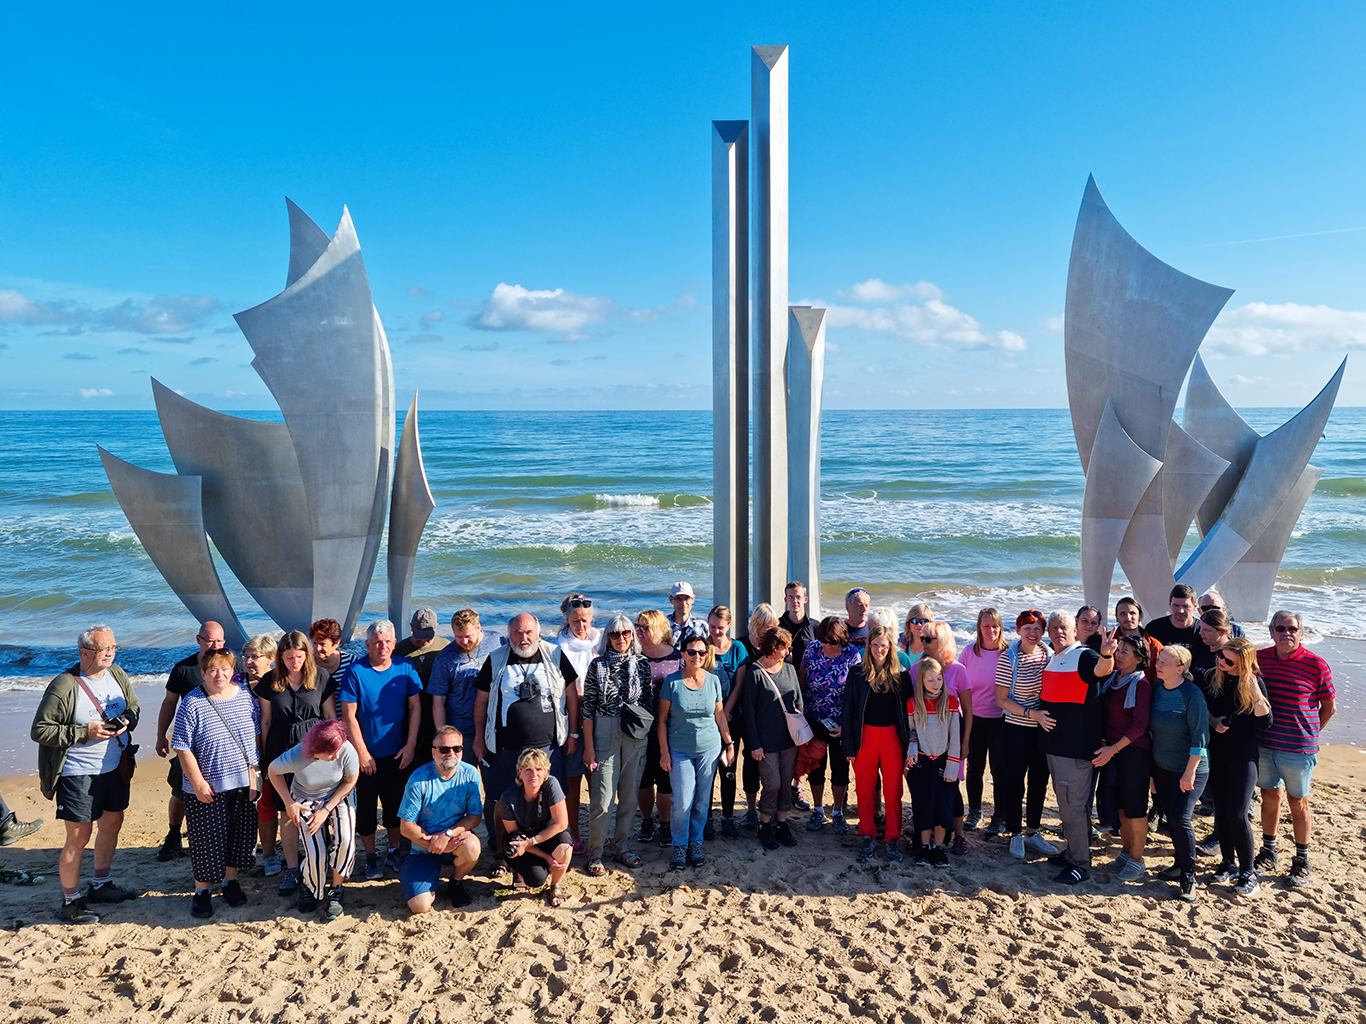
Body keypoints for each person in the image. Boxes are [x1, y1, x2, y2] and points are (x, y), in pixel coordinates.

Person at [32, 625, 140, 924]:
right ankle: (70, 902)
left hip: (115, 766)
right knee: (78, 837)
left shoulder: (117, 674)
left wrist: (126, 721)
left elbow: (133, 706)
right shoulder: (65, 685)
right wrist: (84, 732)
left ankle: (101, 885)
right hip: (78, 772)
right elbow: (40, 730)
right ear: (85, 652)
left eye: (113, 648)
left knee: (112, 823)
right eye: (104, 649)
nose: (110, 653)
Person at [472, 613, 580, 877]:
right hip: (505, 748)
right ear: (509, 635)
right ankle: (500, 853)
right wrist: (478, 738)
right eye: (518, 633)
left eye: (529, 632)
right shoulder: (495, 659)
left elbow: (571, 695)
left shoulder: (555, 655)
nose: (524, 638)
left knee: (551, 799)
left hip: (548, 747)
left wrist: (574, 734)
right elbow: (481, 702)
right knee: (501, 800)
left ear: (538, 632)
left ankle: (549, 847)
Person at [173, 647, 260, 919]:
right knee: (206, 841)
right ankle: (202, 891)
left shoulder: (245, 696)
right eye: (213, 670)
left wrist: (254, 778)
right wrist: (197, 783)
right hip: (208, 785)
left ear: (233, 671)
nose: (219, 674)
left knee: (240, 837)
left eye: (224, 669)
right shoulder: (192, 701)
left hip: (243, 782)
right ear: (203, 674)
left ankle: (230, 882)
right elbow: (182, 747)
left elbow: (253, 739)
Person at [1254, 610, 1335, 887]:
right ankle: (1269, 851)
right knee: (1269, 796)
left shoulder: (1316, 664)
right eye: (1280, 628)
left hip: (1299, 748)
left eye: (1292, 628)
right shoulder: (1259, 659)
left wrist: (1310, 734)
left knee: (1298, 802)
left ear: (1301, 633)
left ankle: (1301, 859)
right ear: (1271, 632)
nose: (1285, 633)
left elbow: (1329, 707)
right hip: (1265, 744)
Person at [1033, 612, 1114, 885]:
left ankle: (1080, 864)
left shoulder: (1083, 655)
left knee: (1073, 808)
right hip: (1056, 746)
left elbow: (1101, 670)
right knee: (1068, 805)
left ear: (1075, 630)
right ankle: (1073, 852)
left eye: (1064, 627)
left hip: (1075, 749)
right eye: (1054, 627)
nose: (1058, 631)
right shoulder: (1055, 657)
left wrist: (1105, 655)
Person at [338, 619, 423, 881]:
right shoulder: (355, 672)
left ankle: (395, 851)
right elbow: (348, 717)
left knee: (395, 806)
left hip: (398, 752)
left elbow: (415, 708)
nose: (382, 646)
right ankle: (371, 856)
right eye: (376, 642)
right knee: (365, 809)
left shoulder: (405, 667)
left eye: (387, 641)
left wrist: (410, 745)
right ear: (367, 645)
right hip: (365, 755)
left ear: (394, 643)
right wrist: (362, 753)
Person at [256, 630, 337, 897]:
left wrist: (333, 750)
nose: (294, 662)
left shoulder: (321, 677)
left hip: (314, 747)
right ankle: (293, 868)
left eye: (299, 656)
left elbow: (329, 717)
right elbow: (266, 721)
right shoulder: (270, 681)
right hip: (281, 746)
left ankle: (320, 863)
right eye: (289, 657)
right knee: (287, 811)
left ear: (307, 655)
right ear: (280, 657)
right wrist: (267, 759)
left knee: (318, 805)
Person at [267, 719, 360, 918]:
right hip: (305, 797)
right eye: (331, 753)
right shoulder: (297, 754)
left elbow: (351, 780)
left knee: (346, 840)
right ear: (316, 750)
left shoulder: (345, 749)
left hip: (338, 794)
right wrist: (288, 803)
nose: (337, 755)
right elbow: (273, 772)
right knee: (316, 852)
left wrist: (326, 809)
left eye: (338, 749)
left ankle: (336, 889)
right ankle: (310, 886)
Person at [581, 614, 652, 874]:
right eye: (614, 634)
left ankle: (623, 846)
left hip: (635, 734)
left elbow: (648, 703)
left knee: (629, 796)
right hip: (604, 731)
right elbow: (587, 709)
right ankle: (596, 852)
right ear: (607, 637)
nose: (620, 639)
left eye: (625, 633)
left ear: (632, 635)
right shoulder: (597, 665)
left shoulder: (642, 664)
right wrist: (588, 747)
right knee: (602, 798)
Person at [657, 632, 733, 869]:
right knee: (681, 800)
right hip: (679, 749)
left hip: (709, 749)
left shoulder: (713, 681)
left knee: (701, 801)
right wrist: (664, 752)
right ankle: (679, 845)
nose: (697, 656)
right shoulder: (672, 682)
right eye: (691, 652)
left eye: (701, 652)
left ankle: (694, 843)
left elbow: (719, 715)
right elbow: (661, 720)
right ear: (683, 654)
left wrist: (729, 744)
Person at [153, 620, 226, 862]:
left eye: (219, 641)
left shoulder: (229, 666)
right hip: (190, 744)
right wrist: (161, 735)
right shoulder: (183, 668)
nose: (215, 646)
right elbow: (169, 703)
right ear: (198, 640)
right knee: (180, 790)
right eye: (209, 641)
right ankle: (174, 835)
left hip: (223, 743)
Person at [1204, 637, 1272, 896]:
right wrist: (1214, 721)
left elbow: (1266, 722)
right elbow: (1204, 709)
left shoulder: (1253, 682)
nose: (1221, 661)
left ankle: (1248, 872)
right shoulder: (1214, 677)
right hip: (1217, 754)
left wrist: (1256, 696)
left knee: (1237, 813)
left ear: (1243, 662)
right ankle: (1228, 863)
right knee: (1221, 812)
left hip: (1244, 757)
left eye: (1228, 659)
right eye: (1220, 655)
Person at [842, 623, 911, 862]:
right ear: (868, 646)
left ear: (891, 646)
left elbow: (908, 714)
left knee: (893, 792)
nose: (879, 650)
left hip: (893, 739)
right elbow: (848, 710)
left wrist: (910, 745)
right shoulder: (857, 674)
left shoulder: (901, 675)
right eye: (874, 645)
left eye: (883, 646)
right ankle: (868, 835)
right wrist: (848, 745)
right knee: (864, 790)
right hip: (865, 738)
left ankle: (892, 839)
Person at [397, 725, 483, 913]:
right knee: (419, 906)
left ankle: (456, 882)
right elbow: (406, 827)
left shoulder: (470, 774)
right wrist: (434, 844)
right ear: (433, 752)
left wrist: (448, 834)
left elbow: (475, 816)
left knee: (472, 846)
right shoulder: (418, 779)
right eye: (444, 749)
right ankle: (423, 879)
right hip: (421, 845)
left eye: (457, 748)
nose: (450, 753)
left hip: (452, 837)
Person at [994, 609, 1058, 860]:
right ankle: (1015, 833)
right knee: (1014, 781)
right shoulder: (1008, 657)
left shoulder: (1050, 655)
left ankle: (1032, 831)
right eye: (1027, 628)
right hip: (1016, 726)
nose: (1033, 633)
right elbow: (1001, 699)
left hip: (1043, 730)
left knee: (1039, 782)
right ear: (1018, 630)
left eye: (1037, 628)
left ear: (1044, 632)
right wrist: (1031, 714)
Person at [1150, 644, 1210, 903]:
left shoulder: (1192, 694)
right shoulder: (1157, 690)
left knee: (1181, 818)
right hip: (1162, 767)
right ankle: (1178, 864)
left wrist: (1189, 772)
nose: (1158, 664)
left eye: (1165, 661)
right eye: (1159, 659)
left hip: (1190, 769)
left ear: (1180, 669)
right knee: (1169, 817)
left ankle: (1189, 877)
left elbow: (1201, 737)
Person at [1093, 634, 1154, 882]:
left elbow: (1140, 725)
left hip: (1134, 753)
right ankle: (1127, 852)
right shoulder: (1112, 679)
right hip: (1114, 751)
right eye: (1119, 650)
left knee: (1136, 809)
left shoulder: (1141, 684)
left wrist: (1113, 748)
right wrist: (1105, 744)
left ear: (1139, 659)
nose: (1119, 655)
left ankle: (1138, 861)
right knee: (1120, 807)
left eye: (1125, 652)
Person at [743, 627, 804, 850]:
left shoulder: (788, 669)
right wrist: (755, 744)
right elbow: (748, 711)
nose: (789, 651)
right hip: (766, 742)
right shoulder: (755, 672)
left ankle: (782, 823)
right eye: (785, 647)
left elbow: (798, 700)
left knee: (786, 783)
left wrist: (800, 731)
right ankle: (765, 824)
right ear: (775, 647)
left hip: (789, 740)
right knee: (772, 784)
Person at [798, 616, 860, 834]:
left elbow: (856, 695)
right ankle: (817, 810)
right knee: (815, 767)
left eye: (832, 641)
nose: (827, 645)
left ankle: (837, 812)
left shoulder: (852, 655)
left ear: (841, 639)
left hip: (841, 722)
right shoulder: (812, 650)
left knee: (840, 769)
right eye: (824, 640)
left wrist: (848, 726)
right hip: (814, 718)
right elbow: (801, 682)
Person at [723, 603, 780, 827]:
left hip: (764, 713)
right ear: (755, 625)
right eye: (765, 626)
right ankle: (745, 809)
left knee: (757, 760)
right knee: (738, 760)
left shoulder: (774, 646)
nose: (769, 630)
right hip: (739, 712)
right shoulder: (742, 644)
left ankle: (759, 808)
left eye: (772, 626)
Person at [497, 748, 574, 907]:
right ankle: (519, 874)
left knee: (565, 845)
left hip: (540, 837)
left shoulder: (551, 784)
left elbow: (561, 823)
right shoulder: (507, 797)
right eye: (528, 770)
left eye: (539, 769)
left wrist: (532, 842)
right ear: (519, 773)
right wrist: (545, 857)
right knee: (536, 880)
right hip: (521, 841)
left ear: (546, 772)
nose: (534, 774)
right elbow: (514, 835)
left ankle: (556, 885)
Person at [919, 621, 972, 854]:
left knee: (952, 787)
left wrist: (965, 742)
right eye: (922, 638)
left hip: (952, 738)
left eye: (928, 639)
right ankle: (927, 832)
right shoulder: (920, 667)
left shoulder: (958, 669)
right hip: (927, 740)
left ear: (941, 642)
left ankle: (959, 835)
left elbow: (968, 710)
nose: (923, 643)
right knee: (930, 787)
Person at [555, 593, 601, 854]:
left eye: (584, 620)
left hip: (599, 718)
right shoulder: (558, 647)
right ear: (567, 618)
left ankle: (596, 830)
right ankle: (573, 831)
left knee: (596, 778)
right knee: (572, 779)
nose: (580, 625)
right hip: (571, 718)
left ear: (591, 618)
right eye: (575, 620)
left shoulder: (600, 641)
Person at [906, 657, 962, 868]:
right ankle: (923, 846)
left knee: (943, 808)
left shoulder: (950, 702)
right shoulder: (913, 703)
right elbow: (912, 731)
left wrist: (952, 767)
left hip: (944, 762)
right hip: (922, 763)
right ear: (921, 681)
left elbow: (955, 737)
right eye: (930, 680)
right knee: (923, 807)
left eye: (939, 679)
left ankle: (938, 848)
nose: (936, 684)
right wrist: (912, 751)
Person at [635, 609, 680, 846]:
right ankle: (646, 820)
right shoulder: (633, 656)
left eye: (646, 627)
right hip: (639, 728)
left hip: (669, 728)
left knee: (665, 780)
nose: (640, 632)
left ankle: (665, 823)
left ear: (660, 629)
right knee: (643, 779)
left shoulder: (677, 657)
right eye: (638, 627)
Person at [959, 609, 1005, 834]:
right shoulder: (969, 652)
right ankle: (975, 811)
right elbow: (957, 682)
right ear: (979, 628)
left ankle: (999, 816)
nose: (991, 630)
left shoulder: (1008, 652)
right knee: (974, 768)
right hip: (974, 719)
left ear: (1000, 627)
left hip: (1000, 720)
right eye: (986, 626)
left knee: (999, 770)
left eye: (995, 625)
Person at [706, 605, 750, 838]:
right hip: (707, 719)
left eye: (720, 627)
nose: (716, 631)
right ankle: (705, 819)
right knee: (707, 771)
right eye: (712, 626)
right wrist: (715, 714)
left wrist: (726, 712)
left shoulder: (738, 648)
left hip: (732, 718)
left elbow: (740, 684)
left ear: (729, 626)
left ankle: (728, 817)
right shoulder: (703, 648)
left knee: (729, 769)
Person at [394, 607, 450, 771]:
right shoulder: (398, 651)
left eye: (427, 636)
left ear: (436, 627)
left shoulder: (445, 648)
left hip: (438, 714)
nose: (423, 641)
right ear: (411, 627)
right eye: (419, 636)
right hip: (409, 717)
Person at [429, 609, 487, 740]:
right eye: (458, 637)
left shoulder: (497, 641)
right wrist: (442, 737)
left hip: (492, 725)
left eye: (468, 636)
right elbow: (438, 701)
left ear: (478, 628)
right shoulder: (444, 658)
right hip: (461, 729)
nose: (464, 642)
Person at [1145, 584, 1201, 650]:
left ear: (1194, 606)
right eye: (1176, 606)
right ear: (1170, 604)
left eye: (1185, 606)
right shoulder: (1154, 629)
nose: (1180, 611)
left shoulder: (1202, 630)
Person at [779, 580, 817, 668]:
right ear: (786, 600)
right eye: (790, 597)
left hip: (807, 678)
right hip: (783, 677)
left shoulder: (815, 626)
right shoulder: (777, 626)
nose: (795, 601)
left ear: (805, 599)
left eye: (798, 597)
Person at [309, 618, 355, 683]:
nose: (317, 648)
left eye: (322, 644)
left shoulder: (350, 661)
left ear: (336, 643)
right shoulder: (307, 663)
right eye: (314, 643)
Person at [666, 582, 709, 646]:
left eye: (687, 598)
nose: (683, 603)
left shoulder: (702, 626)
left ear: (693, 599)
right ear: (671, 600)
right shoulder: (662, 626)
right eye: (678, 599)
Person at [1194, 608, 1233, 676]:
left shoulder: (1232, 655)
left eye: (1206, 630)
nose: (1200, 633)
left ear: (1222, 632)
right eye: (1200, 628)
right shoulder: (1200, 647)